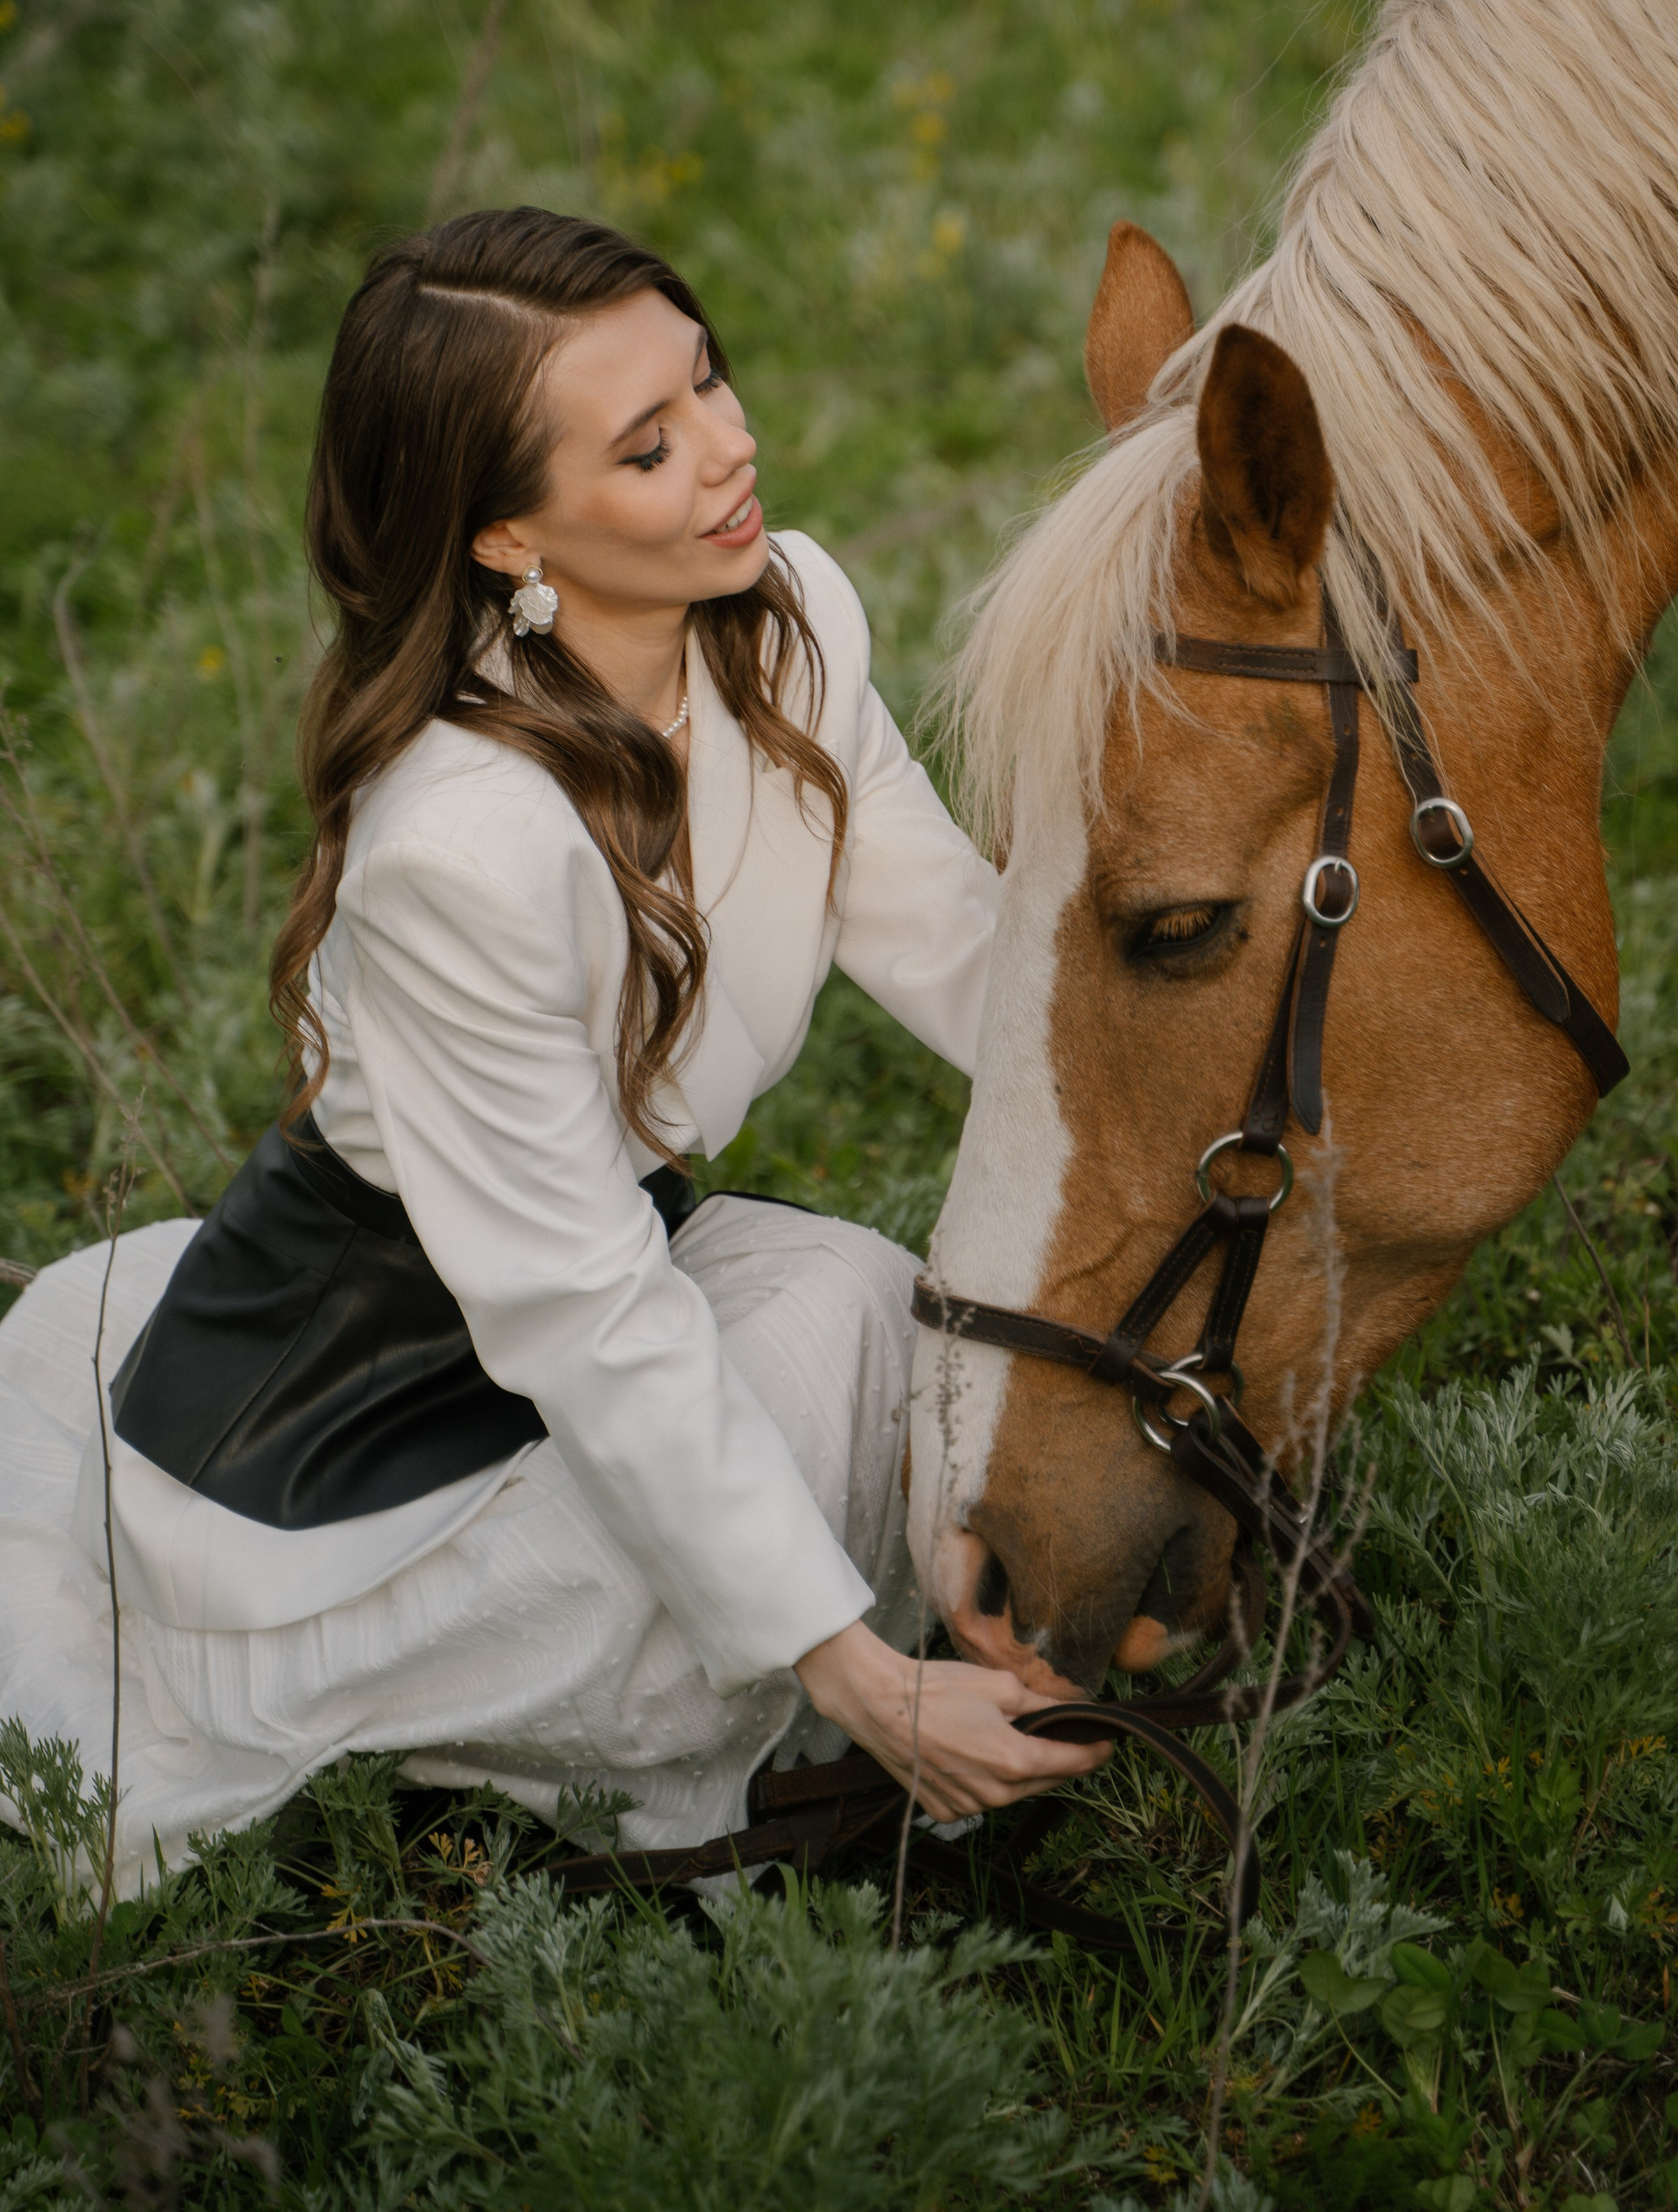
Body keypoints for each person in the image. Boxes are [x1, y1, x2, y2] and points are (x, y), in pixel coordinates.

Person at [0, 207, 1107, 1893]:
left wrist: (1182, 1060)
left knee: (876, 1312)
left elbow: (951, 937)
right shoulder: (458, 844)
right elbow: (582, 1313)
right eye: (650, 446)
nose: (731, 450)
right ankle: (471, 1742)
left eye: (710, 378)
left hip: (595, 1269)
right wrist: (862, 1680)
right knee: (776, 1470)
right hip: (362, 1414)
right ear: (512, 532)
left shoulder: (789, 611)